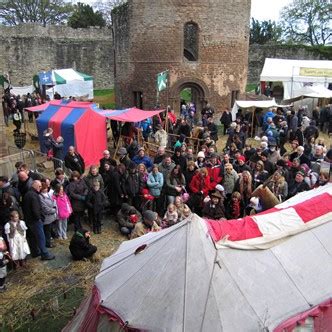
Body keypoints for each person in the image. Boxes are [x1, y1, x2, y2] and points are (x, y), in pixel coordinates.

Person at [22, 180, 55, 260]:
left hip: (29, 219)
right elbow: (35, 209)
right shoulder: (33, 195)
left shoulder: (27, 194)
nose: (41, 188)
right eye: (40, 186)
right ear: (35, 186)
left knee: (33, 237)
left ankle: (35, 252)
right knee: (41, 237)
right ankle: (45, 254)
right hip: (35, 220)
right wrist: (39, 218)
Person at [39, 182, 58, 248]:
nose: (46, 189)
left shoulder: (48, 194)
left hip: (51, 216)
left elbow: (54, 200)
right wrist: (54, 210)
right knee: (47, 231)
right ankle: (47, 243)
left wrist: (55, 207)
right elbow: (45, 208)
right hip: (46, 217)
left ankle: (49, 241)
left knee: (49, 230)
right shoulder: (40, 197)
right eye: (44, 188)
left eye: (47, 188)